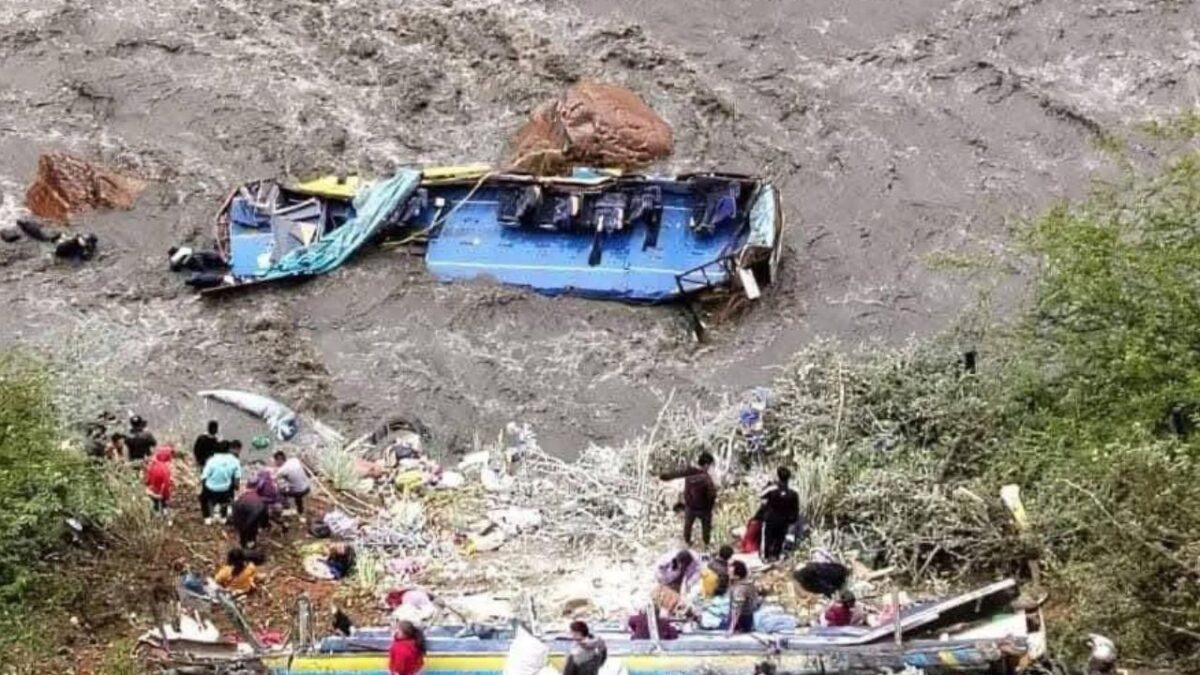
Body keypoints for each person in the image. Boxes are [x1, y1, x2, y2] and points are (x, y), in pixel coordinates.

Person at [658, 451, 718, 547]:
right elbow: (712, 495)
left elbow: (677, 473)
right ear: (706, 465)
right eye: (710, 465)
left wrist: (664, 476)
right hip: (704, 509)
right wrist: (710, 507)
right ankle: (706, 543)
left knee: (688, 526)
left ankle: (687, 541)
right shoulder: (707, 479)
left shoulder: (690, 471)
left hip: (690, 507)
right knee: (706, 528)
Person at [759, 467, 801, 561]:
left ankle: (765, 556)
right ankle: (776, 556)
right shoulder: (793, 492)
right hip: (784, 519)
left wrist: (768, 484)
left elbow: (761, 495)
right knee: (780, 537)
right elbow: (795, 507)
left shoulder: (772, 488)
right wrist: (793, 519)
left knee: (767, 537)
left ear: (778, 476)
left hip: (771, 518)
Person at [200, 441, 242, 524]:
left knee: (203, 499)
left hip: (211, 488)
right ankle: (223, 517)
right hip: (225, 489)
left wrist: (204, 487)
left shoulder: (211, 460)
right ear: (228, 450)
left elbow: (204, 476)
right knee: (228, 495)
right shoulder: (235, 461)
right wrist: (236, 488)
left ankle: (207, 518)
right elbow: (237, 478)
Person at [273, 451, 311, 519]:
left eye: (275, 461)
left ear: (279, 460)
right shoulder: (294, 460)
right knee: (295, 485)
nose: (275, 463)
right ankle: (300, 511)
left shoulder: (282, 470)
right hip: (307, 487)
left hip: (299, 491)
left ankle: (286, 507)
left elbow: (274, 479)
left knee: (279, 491)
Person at [727, 561, 759, 635]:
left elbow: (737, 609)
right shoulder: (745, 580)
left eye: (730, 573)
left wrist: (731, 628)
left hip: (742, 619)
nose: (728, 573)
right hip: (748, 613)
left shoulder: (740, 589)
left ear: (737, 576)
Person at [143, 446, 174, 516]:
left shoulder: (153, 465)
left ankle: (156, 515)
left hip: (153, 490)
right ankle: (164, 513)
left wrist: (148, 487)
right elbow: (166, 483)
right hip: (161, 492)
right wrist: (167, 495)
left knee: (155, 504)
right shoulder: (165, 468)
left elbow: (147, 479)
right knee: (163, 504)